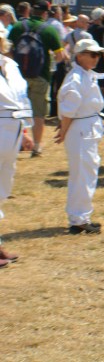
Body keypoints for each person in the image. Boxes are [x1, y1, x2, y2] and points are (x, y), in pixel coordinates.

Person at [55, 38, 104, 234]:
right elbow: (69, 109)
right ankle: (79, 218)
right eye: (93, 54)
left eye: (98, 55)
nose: (96, 58)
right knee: (82, 175)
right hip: (82, 129)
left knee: (87, 173)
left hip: (86, 127)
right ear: (80, 56)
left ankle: (81, 216)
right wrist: (64, 130)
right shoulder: (76, 78)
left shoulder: (85, 75)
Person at [7, 0, 66, 157]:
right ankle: (37, 146)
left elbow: (7, 50)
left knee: (18, 110)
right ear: (46, 13)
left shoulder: (18, 26)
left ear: (32, 11)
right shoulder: (49, 30)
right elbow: (60, 56)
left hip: (18, 76)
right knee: (38, 113)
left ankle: (17, 142)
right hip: (41, 75)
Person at [0, 27, 34, 266]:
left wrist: (25, 130)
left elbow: (22, 98)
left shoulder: (10, 65)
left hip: (11, 129)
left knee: (3, 187)